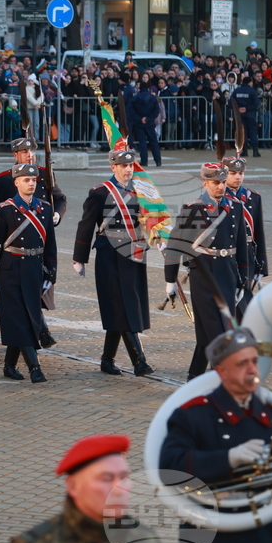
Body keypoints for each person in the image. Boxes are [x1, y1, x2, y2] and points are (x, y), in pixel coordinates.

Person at [160, 328, 272, 543]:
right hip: (207, 533)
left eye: (254, 361)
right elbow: (169, 467)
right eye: (242, 364)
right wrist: (229, 458)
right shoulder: (192, 414)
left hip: (258, 533)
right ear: (221, 371)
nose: (253, 369)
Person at [72, 149, 154, 376]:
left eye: (131, 166)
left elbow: (152, 219)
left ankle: (107, 360)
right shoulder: (100, 193)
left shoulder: (142, 191)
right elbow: (86, 225)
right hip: (110, 254)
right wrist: (80, 257)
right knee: (122, 306)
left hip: (134, 254)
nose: (128, 169)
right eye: (124, 166)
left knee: (124, 306)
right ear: (113, 167)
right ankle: (139, 362)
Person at [165, 163, 249, 380]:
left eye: (222, 182)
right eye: (215, 183)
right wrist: (170, 280)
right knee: (218, 331)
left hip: (228, 274)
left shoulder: (236, 206)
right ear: (205, 183)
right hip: (203, 274)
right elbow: (176, 244)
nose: (221, 187)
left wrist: (243, 281)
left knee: (207, 334)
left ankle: (194, 376)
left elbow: (242, 247)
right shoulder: (194, 207)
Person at [9, 434, 154, 543]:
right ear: (73, 486)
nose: (119, 489)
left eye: (123, 477)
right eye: (106, 479)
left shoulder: (142, 537)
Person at [0, 163, 57, 383]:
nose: (31, 183)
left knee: (25, 317)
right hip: (11, 269)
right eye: (26, 180)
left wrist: (50, 275)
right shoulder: (4, 208)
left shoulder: (44, 208)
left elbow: (50, 247)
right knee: (20, 318)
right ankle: (35, 368)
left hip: (34, 269)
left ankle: (9, 365)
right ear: (16, 183)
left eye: (33, 180)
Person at [222, 156, 267, 318]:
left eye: (241, 173)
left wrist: (262, 263)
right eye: (232, 173)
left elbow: (259, 233)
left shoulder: (253, 197)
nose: (238, 177)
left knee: (244, 296)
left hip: (248, 256)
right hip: (227, 254)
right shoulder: (218, 199)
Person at [129, 80, 162, 167]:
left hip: (139, 123)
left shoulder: (135, 98)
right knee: (154, 142)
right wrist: (148, 119)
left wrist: (140, 119)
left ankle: (144, 161)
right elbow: (156, 111)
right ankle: (158, 160)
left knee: (142, 142)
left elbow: (131, 111)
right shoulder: (152, 98)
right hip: (150, 123)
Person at [230, 76, 261, 157]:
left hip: (239, 115)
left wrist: (238, 109)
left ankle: (245, 151)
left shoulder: (236, 91)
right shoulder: (252, 91)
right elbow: (256, 103)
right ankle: (255, 151)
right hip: (250, 114)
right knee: (253, 132)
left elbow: (231, 102)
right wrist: (247, 109)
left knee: (242, 133)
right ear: (250, 82)